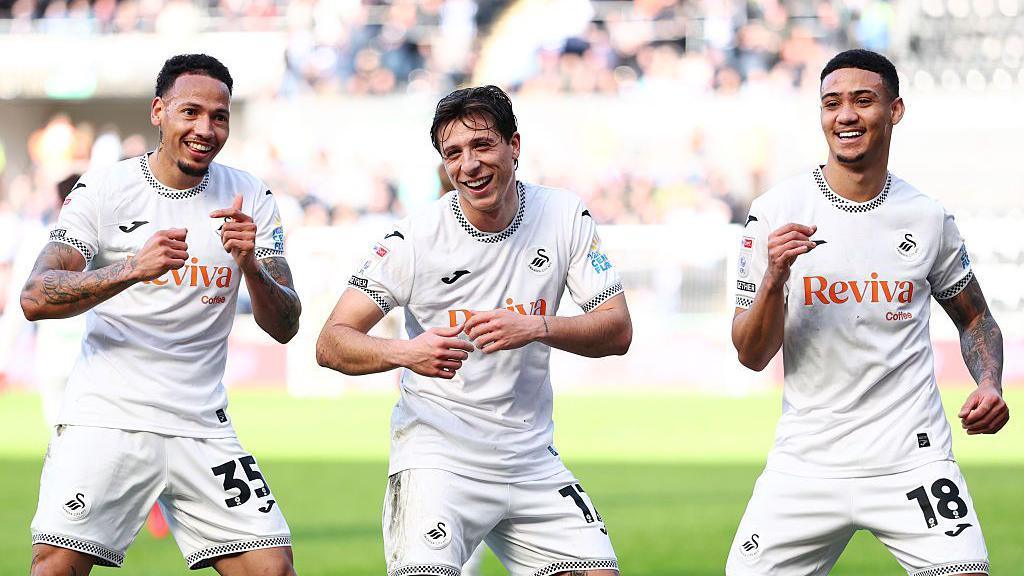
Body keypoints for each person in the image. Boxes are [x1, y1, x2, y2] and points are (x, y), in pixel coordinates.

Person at [316, 85, 631, 576]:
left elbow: (617, 329)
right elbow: (332, 340)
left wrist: (536, 326)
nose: (469, 165)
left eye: (483, 146)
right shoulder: (415, 238)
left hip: (530, 457)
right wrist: (407, 352)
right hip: (437, 456)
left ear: (515, 146)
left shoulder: (564, 214)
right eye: (453, 154)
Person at [727, 49, 1008, 576]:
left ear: (895, 110)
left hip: (913, 460)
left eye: (863, 100)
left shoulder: (926, 218)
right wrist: (774, 278)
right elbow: (751, 354)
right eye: (832, 103)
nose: (846, 115)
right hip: (806, 464)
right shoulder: (776, 212)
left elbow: (976, 320)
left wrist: (990, 382)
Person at [22, 53, 302, 576]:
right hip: (107, 418)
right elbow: (35, 296)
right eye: (190, 112)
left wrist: (251, 268)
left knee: (273, 568)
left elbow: (285, 325)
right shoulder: (104, 190)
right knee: (56, 568)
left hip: (202, 425)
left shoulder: (252, 197)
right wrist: (131, 268)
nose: (205, 129)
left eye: (219, 116)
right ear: (158, 111)